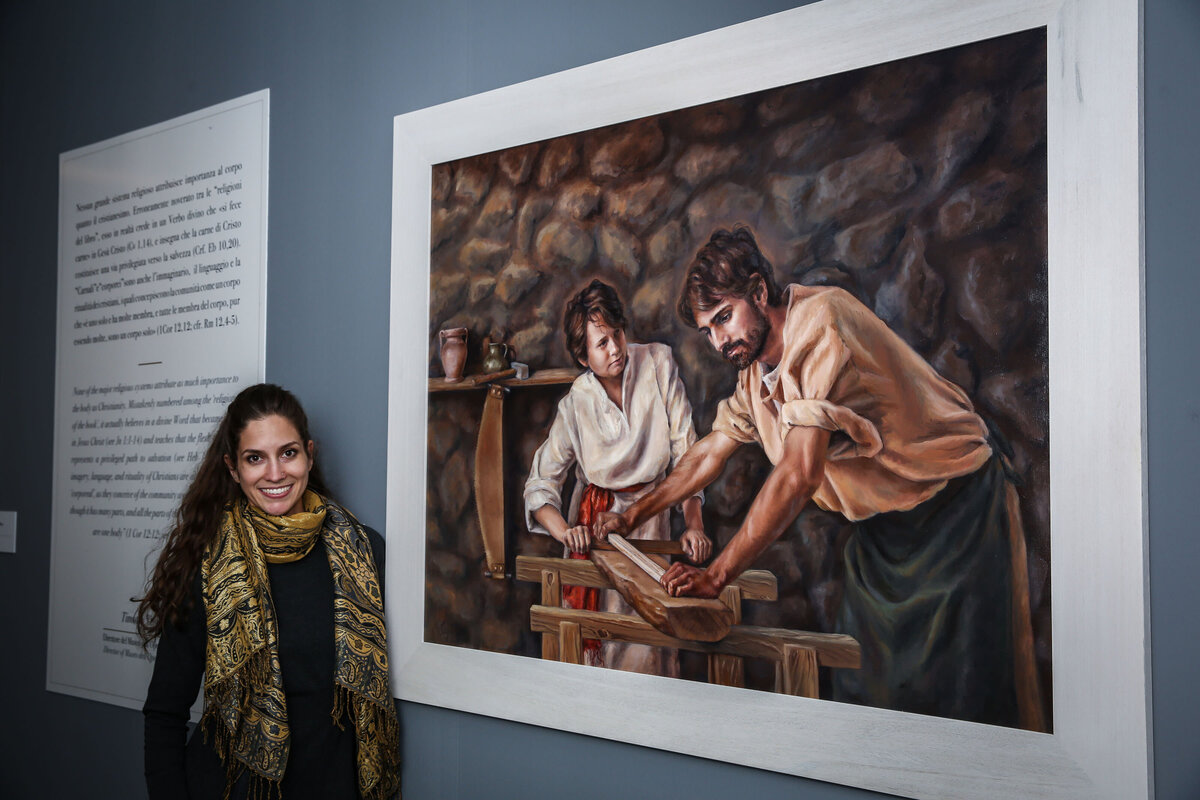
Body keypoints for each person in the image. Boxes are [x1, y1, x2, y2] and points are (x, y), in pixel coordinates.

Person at [595, 226, 1042, 729]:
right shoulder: (753, 376)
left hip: (957, 511)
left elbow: (798, 474)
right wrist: (630, 515)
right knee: (871, 698)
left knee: (967, 700)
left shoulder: (822, 324)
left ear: (759, 293)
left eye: (724, 318)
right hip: (885, 532)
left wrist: (717, 575)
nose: (720, 341)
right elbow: (707, 457)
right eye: (708, 331)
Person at [137, 384, 401, 799]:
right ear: (233, 468)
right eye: (255, 458)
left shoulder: (363, 551)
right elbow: (164, 713)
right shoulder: (206, 566)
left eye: (288, 453)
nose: (275, 473)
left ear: (309, 455)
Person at [524, 279, 712, 674]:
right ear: (582, 357)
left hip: (651, 521)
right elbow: (541, 483)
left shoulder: (658, 363)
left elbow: (688, 455)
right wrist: (565, 532)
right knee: (597, 649)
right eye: (601, 344)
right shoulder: (577, 401)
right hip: (597, 529)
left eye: (617, 335)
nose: (615, 349)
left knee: (647, 649)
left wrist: (693, 525)